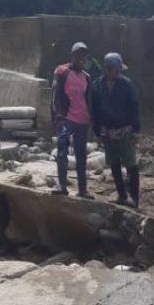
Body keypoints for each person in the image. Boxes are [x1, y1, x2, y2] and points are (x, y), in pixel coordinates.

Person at [92, 53, 141, 208]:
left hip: (125, 130)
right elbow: (95, 110)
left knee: (131, 164)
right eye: (114, 69)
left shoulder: (127, 84)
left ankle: (134, 198)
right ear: (107, 69)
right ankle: (121, 194)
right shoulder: (97, 85)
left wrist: (136, 130)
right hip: (107, 130)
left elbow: (134, 107)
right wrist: (97, 131)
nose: (117, 72)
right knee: (114, 163)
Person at [51, 41, 93, 198]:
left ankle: (82, 189)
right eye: (78, 54)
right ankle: (62, 185)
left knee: (81, 155)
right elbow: (56, 94)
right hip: (66, 119)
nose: (81, 57)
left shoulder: (87, 77)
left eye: (84, 55)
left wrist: (91, 118)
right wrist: (58, 116)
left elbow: (88, 100)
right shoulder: (62, 72)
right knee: (62, 151)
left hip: (82, 120)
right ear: (72, 55)